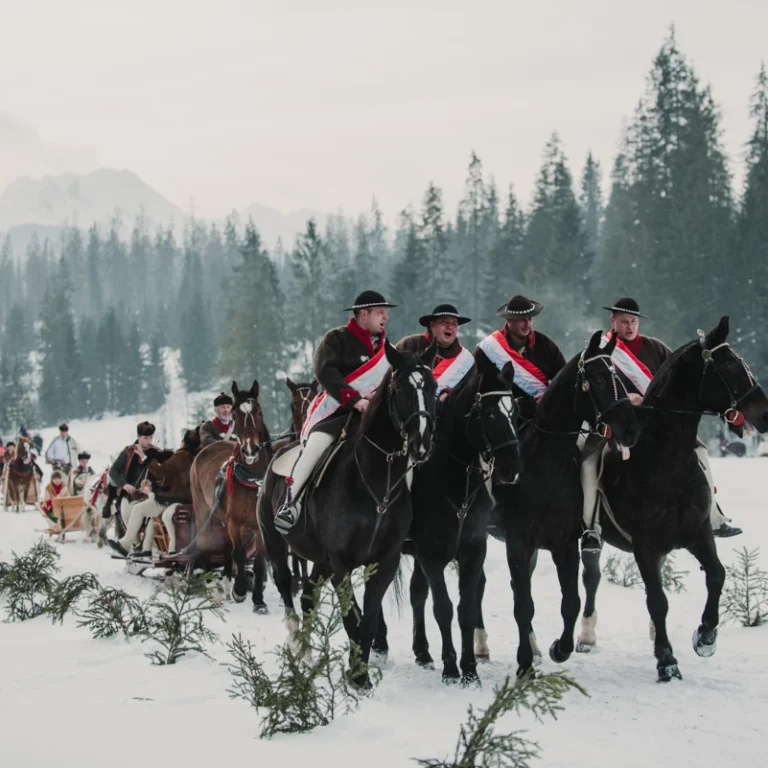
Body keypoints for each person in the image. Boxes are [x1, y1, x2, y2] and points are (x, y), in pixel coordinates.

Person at [580, 297, 741, 551]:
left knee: (700, 451)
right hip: (616, 426)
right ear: (613, 322)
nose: (630, 326)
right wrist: (626, 399)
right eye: (624, 322)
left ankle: (713, 517)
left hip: (661, 428)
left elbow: (678, 381)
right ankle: (592, 529)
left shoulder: (657, 348)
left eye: (633, 321)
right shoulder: (600, 351)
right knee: (590, 463)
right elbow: (591, 389)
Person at [274, 290, 397, 534]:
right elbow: (326, 372)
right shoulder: (336, 339)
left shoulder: (388, 349)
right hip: (336, 415)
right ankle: (291, 503)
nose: (386, 317)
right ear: (364, 314)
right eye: (380, 312)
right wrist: (354, 400)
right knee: (315, 447)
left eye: (386, 313)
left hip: (375, 419)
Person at [474, 294, 566, 418]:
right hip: (501, 420)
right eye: (521, 319)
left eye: (529, 319)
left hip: (542, 417)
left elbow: (563, 379)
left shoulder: (546, 345)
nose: (527, 324)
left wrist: (549, 395)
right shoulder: (488, 350)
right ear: (509, 320)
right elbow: (473, 384)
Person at [397, 303, 475, 398]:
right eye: (444, 323)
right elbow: (394, 380)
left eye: (454, 324)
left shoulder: (466, 359)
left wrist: (449, 392)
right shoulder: (409, 345)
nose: (450, 327)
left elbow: (469, 390)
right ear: (431, 325)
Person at [105, 422, 159, 556]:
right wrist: (124, 484)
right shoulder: (128, 451)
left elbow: (160, 471)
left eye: (151, 438)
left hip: (148, 495)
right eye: (146, 438)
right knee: (128, 518)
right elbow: (113, 471)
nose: (149, 441)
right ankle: (135, 545)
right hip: (129, 496)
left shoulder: (155, 452)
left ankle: (145, 547)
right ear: (138, 437)